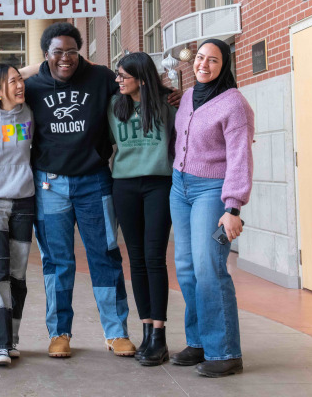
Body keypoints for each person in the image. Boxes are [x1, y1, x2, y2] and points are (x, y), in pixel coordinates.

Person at [22, 22, 136, 358]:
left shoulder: (100, 77)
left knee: (105, 255)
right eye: (58, 52)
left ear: (79, 51)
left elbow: (134, 89)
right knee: (57, 261)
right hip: (49, 184)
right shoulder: (32, 84)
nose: (66, 58)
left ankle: (116, 332)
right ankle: (59, 333)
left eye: (72, 51)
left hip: (94, 181)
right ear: (47, 54)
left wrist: (167, 91)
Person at [169, 38, 254, 378]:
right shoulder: (188, 97)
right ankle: (200, 341)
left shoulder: (234, 104)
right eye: (200, 58)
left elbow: (240, 157)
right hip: (180, 187)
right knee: (187, 267)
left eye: (213, 60)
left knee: (209, 269)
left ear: (224, 65)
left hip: (212, 191)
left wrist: (232, 207)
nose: (203, 65)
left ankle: (225, 352)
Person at [108, 52, 176, 366]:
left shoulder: (169, 106)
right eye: (118, 75)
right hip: (124, 185)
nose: (118, 80)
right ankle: (146, 328)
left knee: (154, 257)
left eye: (124, 75)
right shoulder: (114, 105)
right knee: (136, 259)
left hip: (159, 184)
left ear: (143, 78)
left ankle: (159, 335)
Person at [0, 64, 35, 367]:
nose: (20, 85)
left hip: (24, 201)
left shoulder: (29, 111)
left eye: (20, 79)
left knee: (18, 275)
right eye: (12, 82)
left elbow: (44, 66)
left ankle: (12, 338)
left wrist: (10, 73)